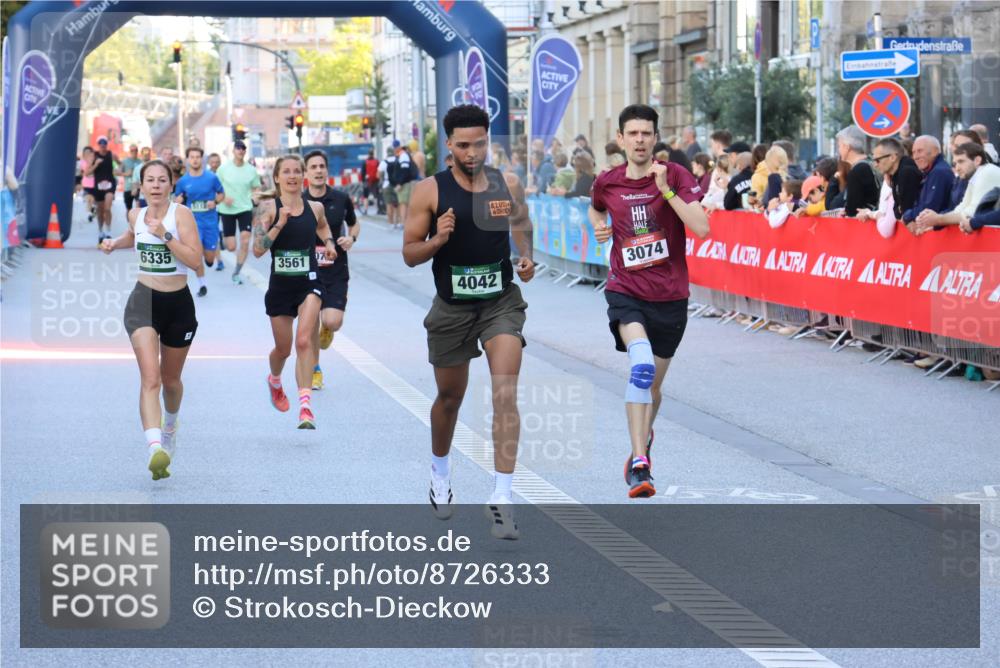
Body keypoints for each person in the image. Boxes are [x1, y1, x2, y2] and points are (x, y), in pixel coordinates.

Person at [402, 104, 535, 538]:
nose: (472, 152)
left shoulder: (506, 183)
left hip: (500, 303)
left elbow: (522, 223)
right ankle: (441, 472)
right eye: (463, 145)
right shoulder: (428, 191)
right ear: (449, 146)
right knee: (449, 400)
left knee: (504, 391)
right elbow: (409, 254)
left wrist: (526, 256)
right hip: (451, 308)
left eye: (479, 143)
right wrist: (438, 239)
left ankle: (502, 497)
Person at [588, 104, 710, 499]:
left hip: (671, 297)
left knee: (653, 389)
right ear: (621, 139)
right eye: (633, 133)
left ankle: (644, 440)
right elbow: (594, 207)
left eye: (646, 133)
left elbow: (701, 227)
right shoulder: (607, 181)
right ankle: (640, 465)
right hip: (626, 290)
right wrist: (599, 227)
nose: (640, 140)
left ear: (655, 139)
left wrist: (666, 191)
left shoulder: (674, 175)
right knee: (640, 368)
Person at [100, 159, 203, 480]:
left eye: (162, 180)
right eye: (150, 180)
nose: (156, 185)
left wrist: (167, 236)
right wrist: (115, 243)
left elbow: (196, 261)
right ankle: (155, 447)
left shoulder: (181, 215)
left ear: (171, 185)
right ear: (141, 186)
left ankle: (170, 425)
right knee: (151, 379)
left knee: (171, 381)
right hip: (143, 300)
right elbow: (134, 233)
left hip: (178, 305)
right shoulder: (136, 214)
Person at [253, 155, 338, 429]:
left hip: (309, 282)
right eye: (286, 172)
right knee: (283, 349)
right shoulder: (267, 208)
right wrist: (279, 223)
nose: (292, 176)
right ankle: (275, 381)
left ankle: (305, 408)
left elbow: (323, 226)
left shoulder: (314, 208)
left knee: (304, 341)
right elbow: (257, 249)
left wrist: (329, 243)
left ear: (302, 176)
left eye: (296, 171)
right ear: (276, 178)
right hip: (280, 287)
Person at [304, 150, 359, 390]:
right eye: (313, 167)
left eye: (321, 166)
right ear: (306, 172)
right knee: (310, 322)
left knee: (332, 321)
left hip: (336, 269)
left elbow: (354, 224)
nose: (318, 170)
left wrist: (351, 239)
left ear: (327, 170)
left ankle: (329, 328)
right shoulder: (299, 199)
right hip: (308, 271)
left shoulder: (341, 198)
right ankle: (315, 370)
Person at [173, 146, 224, 296]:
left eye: (197, 157)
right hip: (192, 223)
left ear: (202, 159)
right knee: (197, 253)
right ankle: (202, 284)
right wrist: (179, 200)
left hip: (209, 222)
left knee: (209, 258)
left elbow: (221, 194)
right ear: (188, 160)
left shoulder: (211, 178)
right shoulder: (183, 181)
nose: (195, 159)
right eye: (192, 157)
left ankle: (210, 260)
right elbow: (176, 200)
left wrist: (215, 201)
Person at [915, 142, 1000, 232]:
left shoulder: (986, 173)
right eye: (955, 163)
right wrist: (935, 222)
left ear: (977, 160)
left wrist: (938, 219)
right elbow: (962, 207)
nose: (957, 168)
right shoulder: (977, 174)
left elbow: (972, 213)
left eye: (961, 161)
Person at [216, 140, 262, 284]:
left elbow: (256, 188)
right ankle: (222, 236)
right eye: (238, 148)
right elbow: (215, 188)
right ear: (233, 151)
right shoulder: (223, 169)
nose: (240, 151)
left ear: (245, 151)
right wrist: (223, 198)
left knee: (245, 240)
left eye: (243, 148)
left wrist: (256, 199)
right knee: (231, 247)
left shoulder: (251, 170)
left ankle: (236, 272)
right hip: (227, 209)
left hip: (245, 208)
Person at [858, 137, 921, 223]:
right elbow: (896, 212)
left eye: (877, 160)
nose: (875, 165)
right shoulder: (896, 174)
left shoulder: (906, 173)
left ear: (892, 157)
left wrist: (901, 209)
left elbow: (906, 211)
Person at [901, 135, 954, 228]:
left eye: (920, 151)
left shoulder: (939, 172)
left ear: (935, 151)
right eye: (913, 152)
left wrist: (907, 216)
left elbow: (928, 209)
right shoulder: (930, 172)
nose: (915, 157)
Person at [835, 125, 879, 216]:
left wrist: (846, 211)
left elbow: (852, 209)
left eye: (839, 146)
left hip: (866, 224)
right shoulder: (872, 163)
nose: (838, 150)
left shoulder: (857, 171)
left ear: (847, 147)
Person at [88, 137, 119, 244]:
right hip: (98, 186)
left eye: (104, 144)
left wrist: (119, 167)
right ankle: (101, 231)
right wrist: (96, 164)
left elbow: (120, 164)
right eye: (100, 144)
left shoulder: (111, 154)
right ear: (98, 145)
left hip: (110, 184)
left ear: (106, 144)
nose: (102, 146)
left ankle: (109, 231)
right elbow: (87, 173)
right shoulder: (94, 156)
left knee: (107, 208)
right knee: (100, 211)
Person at [379, 146, 401, 229]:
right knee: (397, 204)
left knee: (389, 204)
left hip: (386, 184)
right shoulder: (398, 160)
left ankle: (391, 223)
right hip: (397, 185)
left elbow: (379, 174)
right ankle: (398, 222)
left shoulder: (384, 162)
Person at [120, 145, 143, 212]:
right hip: (128, 188)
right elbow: (116, 172)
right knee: (129, 209)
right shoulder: (125, 161)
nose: (134, 152)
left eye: (136, 150)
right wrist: (126, 174)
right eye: (132, 150)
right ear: (129, 151)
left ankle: (136, 221)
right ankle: (130, 222)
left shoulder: (140, 162)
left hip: (138, 187)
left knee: (138, 206)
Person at [79, 147, 97, 226]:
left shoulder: (95, 161)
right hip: (86, 184)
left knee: (92, 200)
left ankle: (92, 213)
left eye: (89, 152)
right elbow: (86, 172)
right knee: (88, 199)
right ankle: (90, 213)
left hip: (94, 184)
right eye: (86, 153)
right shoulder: (82, 162)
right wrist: (90, 163)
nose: (87, 154)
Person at [363, 149, 381, 215]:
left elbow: (363, 173)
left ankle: (365, 210)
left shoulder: (365, 162)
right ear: (373, 154)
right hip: (375, 181)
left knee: (365, 196)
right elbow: (379, 171)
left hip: (367, 181)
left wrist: (363, 180)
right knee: (376, 196)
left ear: (368, 154)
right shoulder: (377, 161)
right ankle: (377, 210)